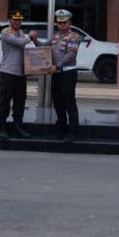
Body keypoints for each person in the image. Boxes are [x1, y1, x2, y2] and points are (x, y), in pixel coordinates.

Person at [0, 10, 38, 140]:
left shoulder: (20, 33)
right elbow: (20, 43)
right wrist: (30, 37)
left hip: (20, 74)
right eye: (15, 19)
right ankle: (2, 127)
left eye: (20, 20)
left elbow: (25, 49)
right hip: (8, 72)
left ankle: (17, 126)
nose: (18, 22)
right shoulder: (6, 32)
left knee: (20, 102)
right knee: (5, 101)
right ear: (9, 20)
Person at [48, 9, 82, 142]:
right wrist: (34, 40)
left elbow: (71, 55)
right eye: (59, 23)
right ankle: (61, 130)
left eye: (64, 22)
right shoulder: (56, 36)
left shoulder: (74, 36)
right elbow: (44, 46)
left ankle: (74, 132)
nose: (61, 25)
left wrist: (58, 65)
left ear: (70, 22)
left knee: (69, 103)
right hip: (56, 73)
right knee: (58, 103)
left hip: (68, 73)